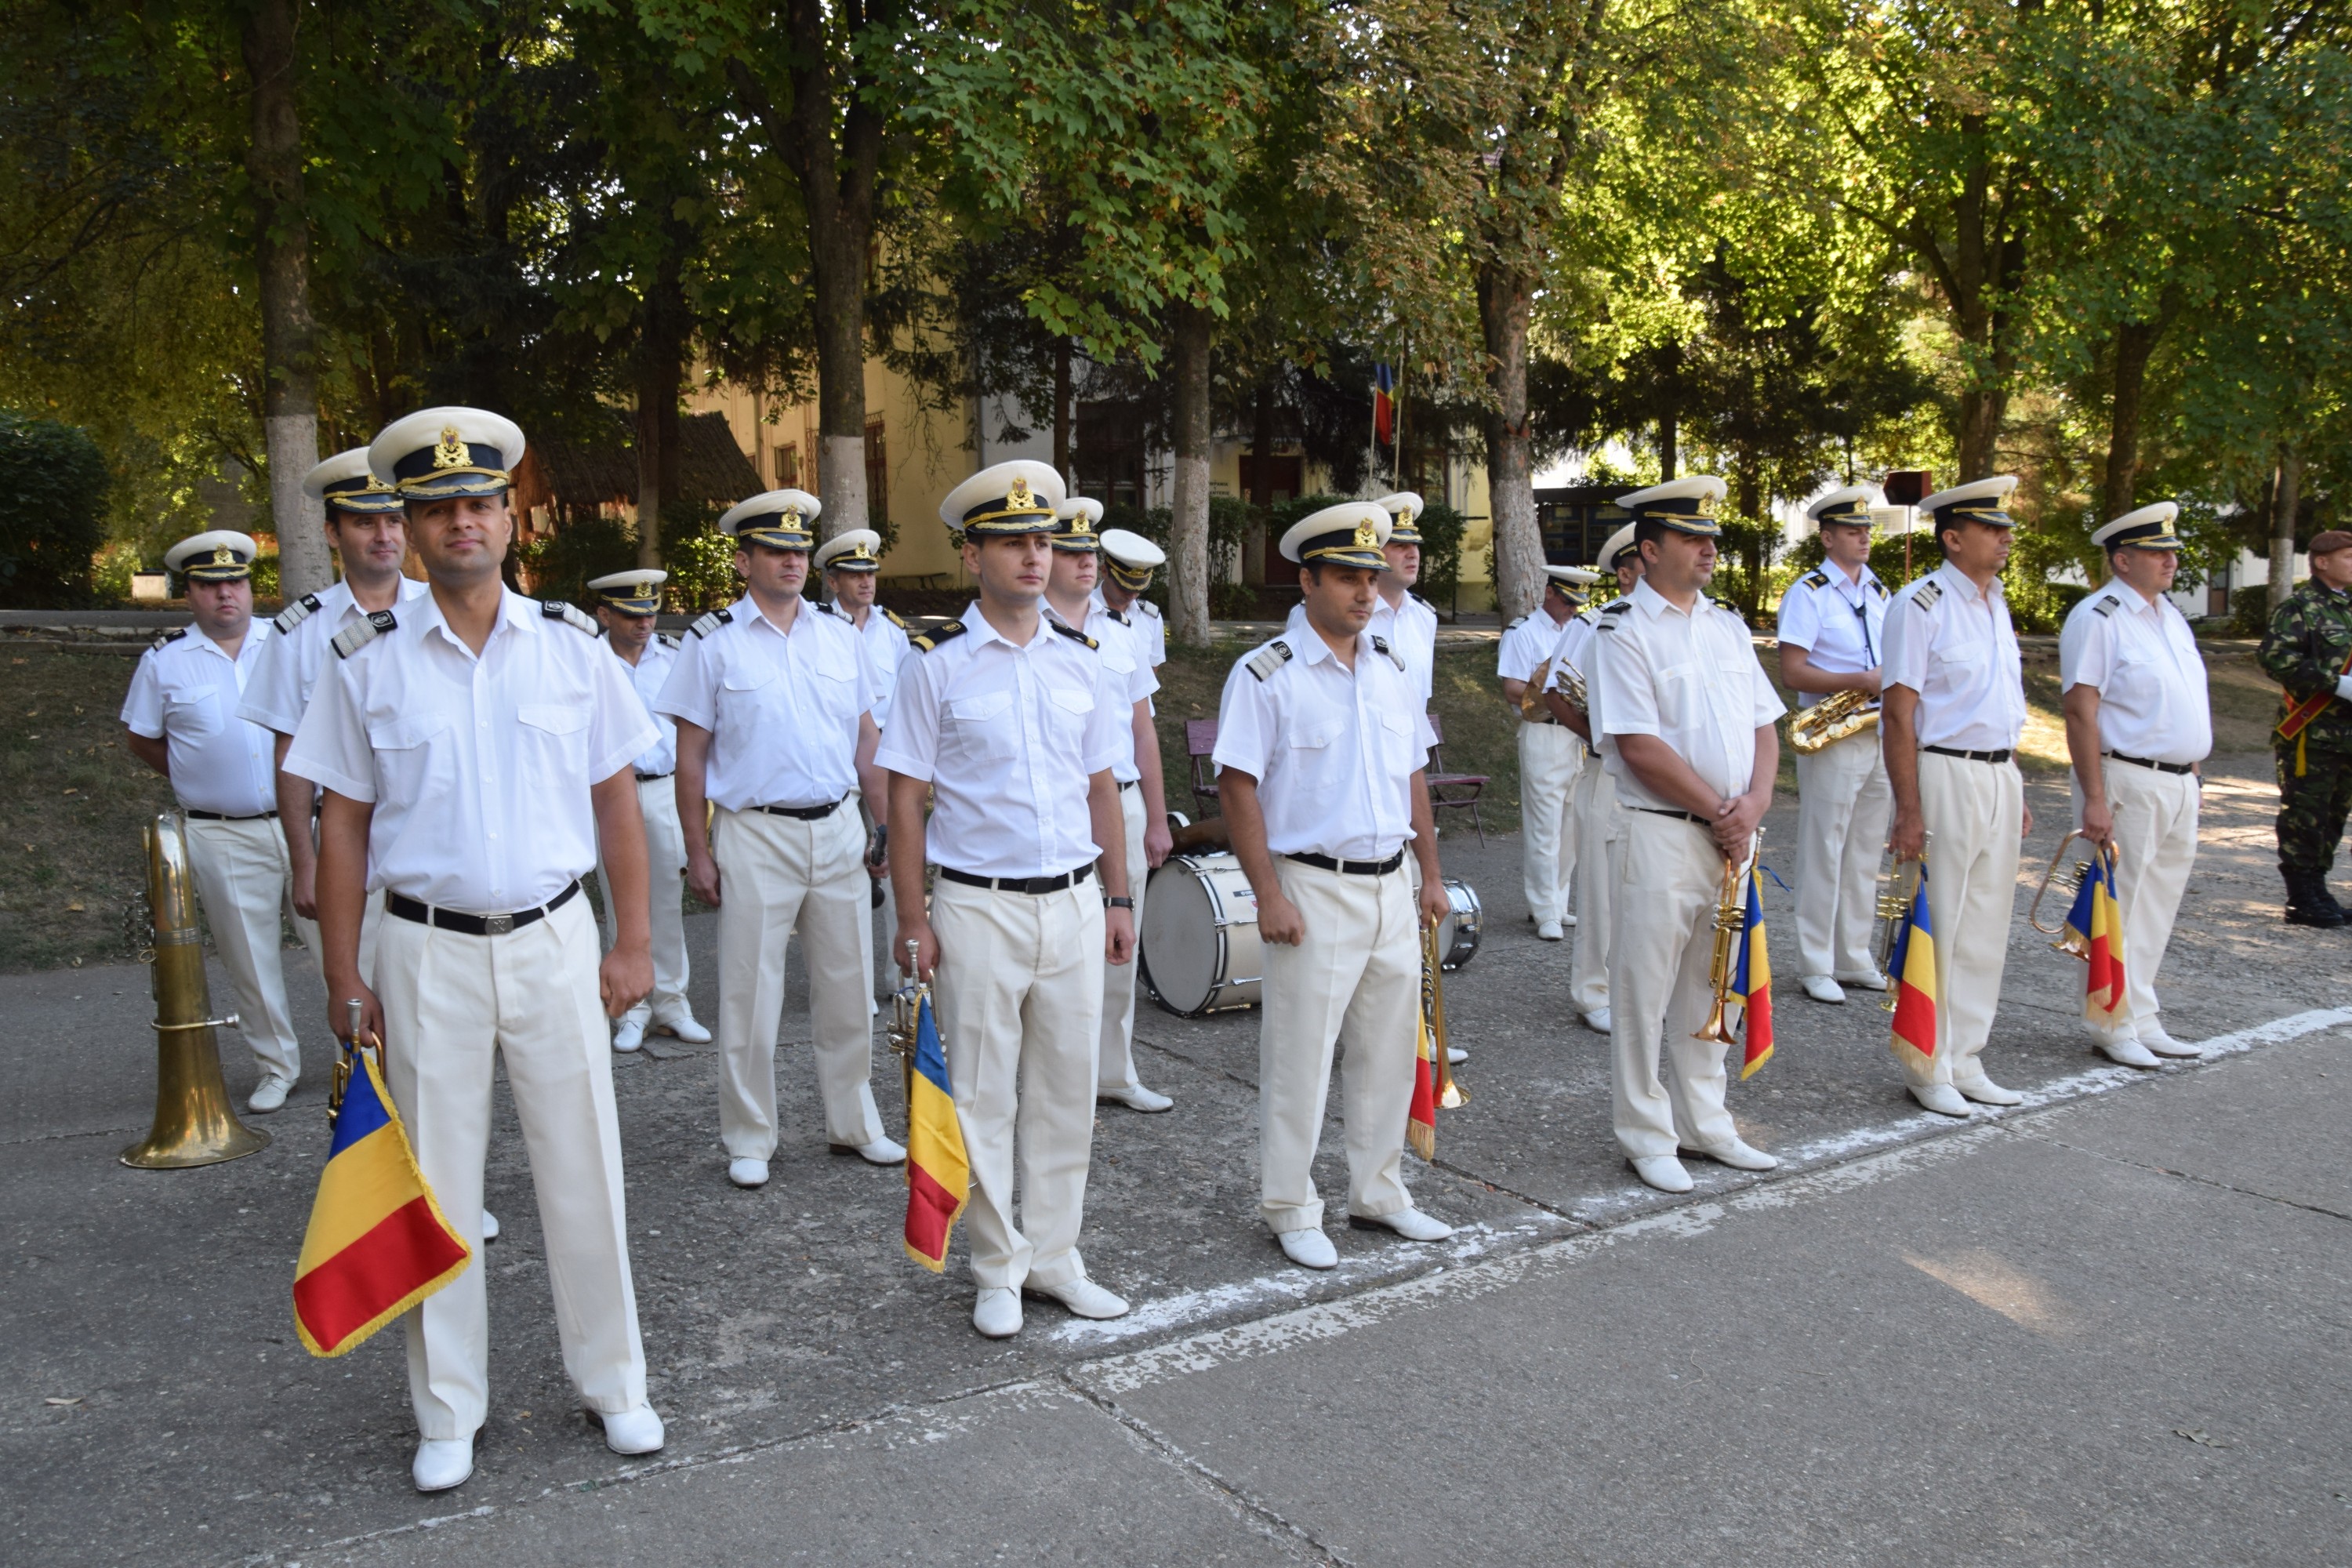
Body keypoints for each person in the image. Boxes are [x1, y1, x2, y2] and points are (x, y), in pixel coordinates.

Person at [286, 405, 664, 1493]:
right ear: (407, 527)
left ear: (512, 519)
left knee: (585, 1169)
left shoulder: (574, 651)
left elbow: (616, 807)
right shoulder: (365, 662)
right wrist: (344, 973)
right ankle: (448, 1408)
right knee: (438, 1184)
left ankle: (616, 1384)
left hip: (555, 939)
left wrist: (634, 943)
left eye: (481, 505)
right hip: (424, 951)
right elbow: (343, 824)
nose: (463, 523)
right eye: (439, 508)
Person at [878, 459, 1137, 1338]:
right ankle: (997, 1263)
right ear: (971, 554)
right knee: (984, 1094)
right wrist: (913, 920)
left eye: (1043, 539)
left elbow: (1103, 786)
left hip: (1070, 899)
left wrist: (1119, 894)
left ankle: (1056, 1255)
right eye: (1013, 542)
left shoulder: (1082, 662)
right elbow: (905, 799)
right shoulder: (936, 666)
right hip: (977, 904)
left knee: (1068, 1087)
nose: (1035, 555)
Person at [1214, 501, 1456, 1270]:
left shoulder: (1388, 663)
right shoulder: (1267, 674)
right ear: (1307, 578)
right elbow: (1238, 785)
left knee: (1388, 1048)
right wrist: (1268, 893)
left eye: (1372, 576)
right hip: (1312, 888)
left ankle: (1378, 1190)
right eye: (1349, 576)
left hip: (1392, 882)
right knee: (1301, 1055)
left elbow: (1413, 770)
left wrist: (1431, 872)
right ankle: (1290, 1202)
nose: (1366, 590)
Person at [656, 490, 902, 1189]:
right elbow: (691, 755)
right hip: (754, 834)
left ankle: (854, 1122)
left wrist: (881, 827)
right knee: (749, 994)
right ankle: (750, 1136)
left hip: (836, 830)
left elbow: (866, 740)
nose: (792, 561)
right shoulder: (713, 643)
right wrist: (696, 849)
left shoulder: (838, 634)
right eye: (775, 551)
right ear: (744, 561)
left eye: (799, 551)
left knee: (850, 986)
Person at [1588, 479, 1785, 1194]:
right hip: (1662, 833)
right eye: (1693, 538)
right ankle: (1647, 1132)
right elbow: (1638, 746)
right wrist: (1721, 812)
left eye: (1711, 539)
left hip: (1732, 834)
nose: (1708, 549)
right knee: (1643, 991)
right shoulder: (1620, 630)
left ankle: (1707, 1122)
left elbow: (1765, 723)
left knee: (1714, 987)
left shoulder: (1727, 625)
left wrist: (1755, 804)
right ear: (1650, 550)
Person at [122, 530, 305, 1114]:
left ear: (251, 589)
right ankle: (277, 1067)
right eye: (211, 585)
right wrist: (197, 777)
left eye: (237, 582)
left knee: (342, 947)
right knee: (250, 959)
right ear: (189, 593)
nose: (227, 595)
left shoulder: (287, 643)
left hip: (308, 821)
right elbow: (143, 738)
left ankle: (366, 1058)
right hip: (221, 830)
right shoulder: (165, 661)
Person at [239, 448, 430, 1002]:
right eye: (364, 522)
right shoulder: (299, 632)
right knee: (356, 992)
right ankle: (365, 1091)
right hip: (345, 833)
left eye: (394, 519)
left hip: (424, 824)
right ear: (331, 532)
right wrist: (306, 862)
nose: (383, 535)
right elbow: (290, 753)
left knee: (428, 992)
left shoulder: (440, 612)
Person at [1881, 475, 2033, 1117]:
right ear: (1953, 537)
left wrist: (2014, 778)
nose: (2004, 539)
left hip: (1997, 772)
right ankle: (1926, 1064)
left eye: (2005, 530)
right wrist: (1909, 809)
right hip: (1943, 772)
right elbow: (1899, 713)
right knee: (1937, 922)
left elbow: (1996, 702)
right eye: (1991, 530)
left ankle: (1966, 1055)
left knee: (1985, 926)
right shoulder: (1922, 604)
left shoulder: (1994, 602)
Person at [2060, 503, 2211, 1065]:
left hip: (2177, 780)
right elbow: (2080, 708)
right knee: (2116, 906)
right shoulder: (2099, 616)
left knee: (2157, 904)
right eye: (2157, 552)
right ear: (2123, 560)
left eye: (2172, 551)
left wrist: (2193, 767)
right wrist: (2094, 797)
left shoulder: (2168, 614)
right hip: (2127, 776)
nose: (2170, 560)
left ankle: (2141, 1014)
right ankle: (2110, 1022)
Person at [1045, 497, 1178, 1113]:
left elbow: (1143, 730)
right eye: (1070, 552)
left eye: (1088, 553)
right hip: (1060, 807)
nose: (1085, 564)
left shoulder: (1126, 630)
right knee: (1063, 947)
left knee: (1120, 943)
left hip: (1120, 803)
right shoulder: (1034, 628)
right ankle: (1061, 1077)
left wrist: (1156, 816)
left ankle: (1114, 1070)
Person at [1777, 485, 1895, 1005]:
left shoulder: (1883, 593)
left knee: (1866, 851)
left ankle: (1855, 956)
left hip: (1880, 731)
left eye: (1867, 529)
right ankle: (1816, 962)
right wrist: (1862, 680)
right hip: (1836, 732)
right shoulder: (1809, 591)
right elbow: (1792, 669)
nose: (1864, 537)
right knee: (1825, 847)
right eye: (1852, 530)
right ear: (1827, 538)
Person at [584, 569, 708, 1054]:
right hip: (609, 794)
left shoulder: (673, 659)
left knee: (667, 898)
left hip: (663, 789)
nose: (644, 624)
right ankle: (629, 1008)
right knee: (620, 899)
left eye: (651, 614)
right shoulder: (587, 660)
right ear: (604, 614)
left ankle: (673, 1003)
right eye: (632, 616)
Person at [1544, 524, 1643, 1036]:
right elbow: (1555, 690)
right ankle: (1593, 991)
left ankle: (1639, 987)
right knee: (1603, 894)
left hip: (1666, 783)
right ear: (1625, 574)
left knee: (1649, 891)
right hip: (1610, 775)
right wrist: (1600, 739)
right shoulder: (1599, 624)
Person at [814, 528, 914, 1000]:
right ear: (833, 582)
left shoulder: (892, 631)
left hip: (886, 762)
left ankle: (904, 976)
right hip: (835, 762)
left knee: (898, 862)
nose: (866, 581)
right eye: (855, 574)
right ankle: (852, 986)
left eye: (871, 572)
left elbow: (905, 699)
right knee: (847, 876)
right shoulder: (816, 629)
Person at [2258, 528, 2352, 925]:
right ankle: (2300, 896)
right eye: (2348, 556)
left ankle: (2318, 888)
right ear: (2321, 561)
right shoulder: (2301, 607)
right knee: (2304, 815)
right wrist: (2336, 683)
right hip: (2311, 735)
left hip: (2347, 736)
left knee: (2333, 815)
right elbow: (2275, 658)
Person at [1499, 565, 1598, 940]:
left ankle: (1558, 902)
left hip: (1576, 735)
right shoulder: (1523, 632)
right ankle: (1544, 911)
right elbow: (1512, 687)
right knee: (1544, 827)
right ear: (1551, 593)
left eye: (1579, 604)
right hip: (1543, 733)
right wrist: (1558, 698)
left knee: (1571, 825)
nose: (1574, 610)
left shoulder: (1579, 631)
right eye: (1569, 602)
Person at [1096, 528, 1167, 670]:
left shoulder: (1151, 618)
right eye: (1124, 587)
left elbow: (1153, 666)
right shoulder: (1079, 611)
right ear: (1104, 571)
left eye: (1138, 589)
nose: (1132, 595)